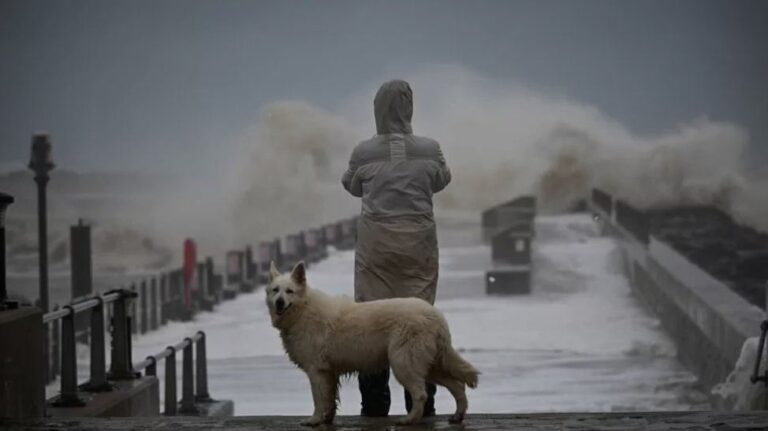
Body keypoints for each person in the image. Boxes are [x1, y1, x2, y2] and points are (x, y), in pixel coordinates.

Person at [341, 79, 451, 417]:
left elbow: (351, 185)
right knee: (417, 323)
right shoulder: (430, 149)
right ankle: (421, 406)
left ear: (378, 110)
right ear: (409, 108)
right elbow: (442, 180)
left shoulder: (364, 151)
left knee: (371, 323)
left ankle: (374, 408)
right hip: (418, 248)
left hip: (377, 250)